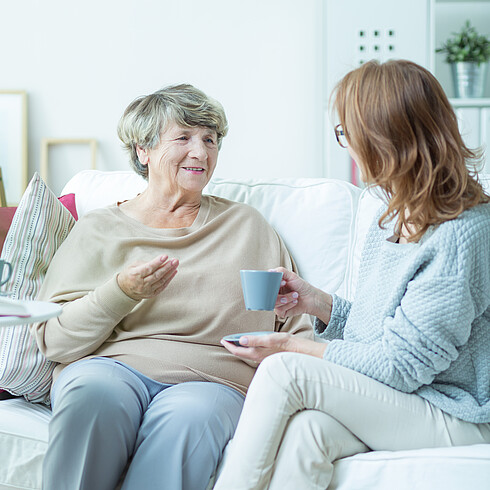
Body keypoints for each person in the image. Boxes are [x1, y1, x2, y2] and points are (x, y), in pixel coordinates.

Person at [213, 59, 490, 490]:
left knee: (283, 370)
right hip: (412, 397)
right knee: (309, 434)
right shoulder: (393, 215)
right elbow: (384, 333)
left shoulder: (461, 233)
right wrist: (318, 303)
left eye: (348, 133)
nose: (347, 147)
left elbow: (403, 364)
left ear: (388, 137)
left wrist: (291, 346)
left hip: (458, 411)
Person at [30, 84, 313, 490]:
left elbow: (293, 325)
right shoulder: (100, 230)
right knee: (90, 398)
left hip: (213, 381)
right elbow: (55, 341)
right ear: (142, 151)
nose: (200, 151)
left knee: (188, 421)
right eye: (183, 137)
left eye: (210, 139)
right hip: (111, 368)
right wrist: (121, 293)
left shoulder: (247, 227)